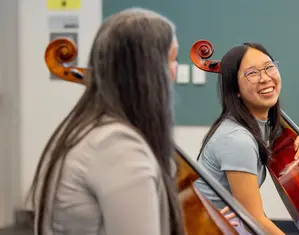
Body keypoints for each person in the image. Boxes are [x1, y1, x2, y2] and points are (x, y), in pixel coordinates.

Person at [27, 8, 236, 235]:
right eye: (173, 59)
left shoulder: (88, 130)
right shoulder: (116, 147)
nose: (175, 70)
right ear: (149, 72)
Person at [194, 42, 299, 234]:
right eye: (252, 73)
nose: (265, 78)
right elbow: (253, 219)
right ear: (235, 89)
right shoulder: (237, 139)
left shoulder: (264, 124)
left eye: (269, 67)